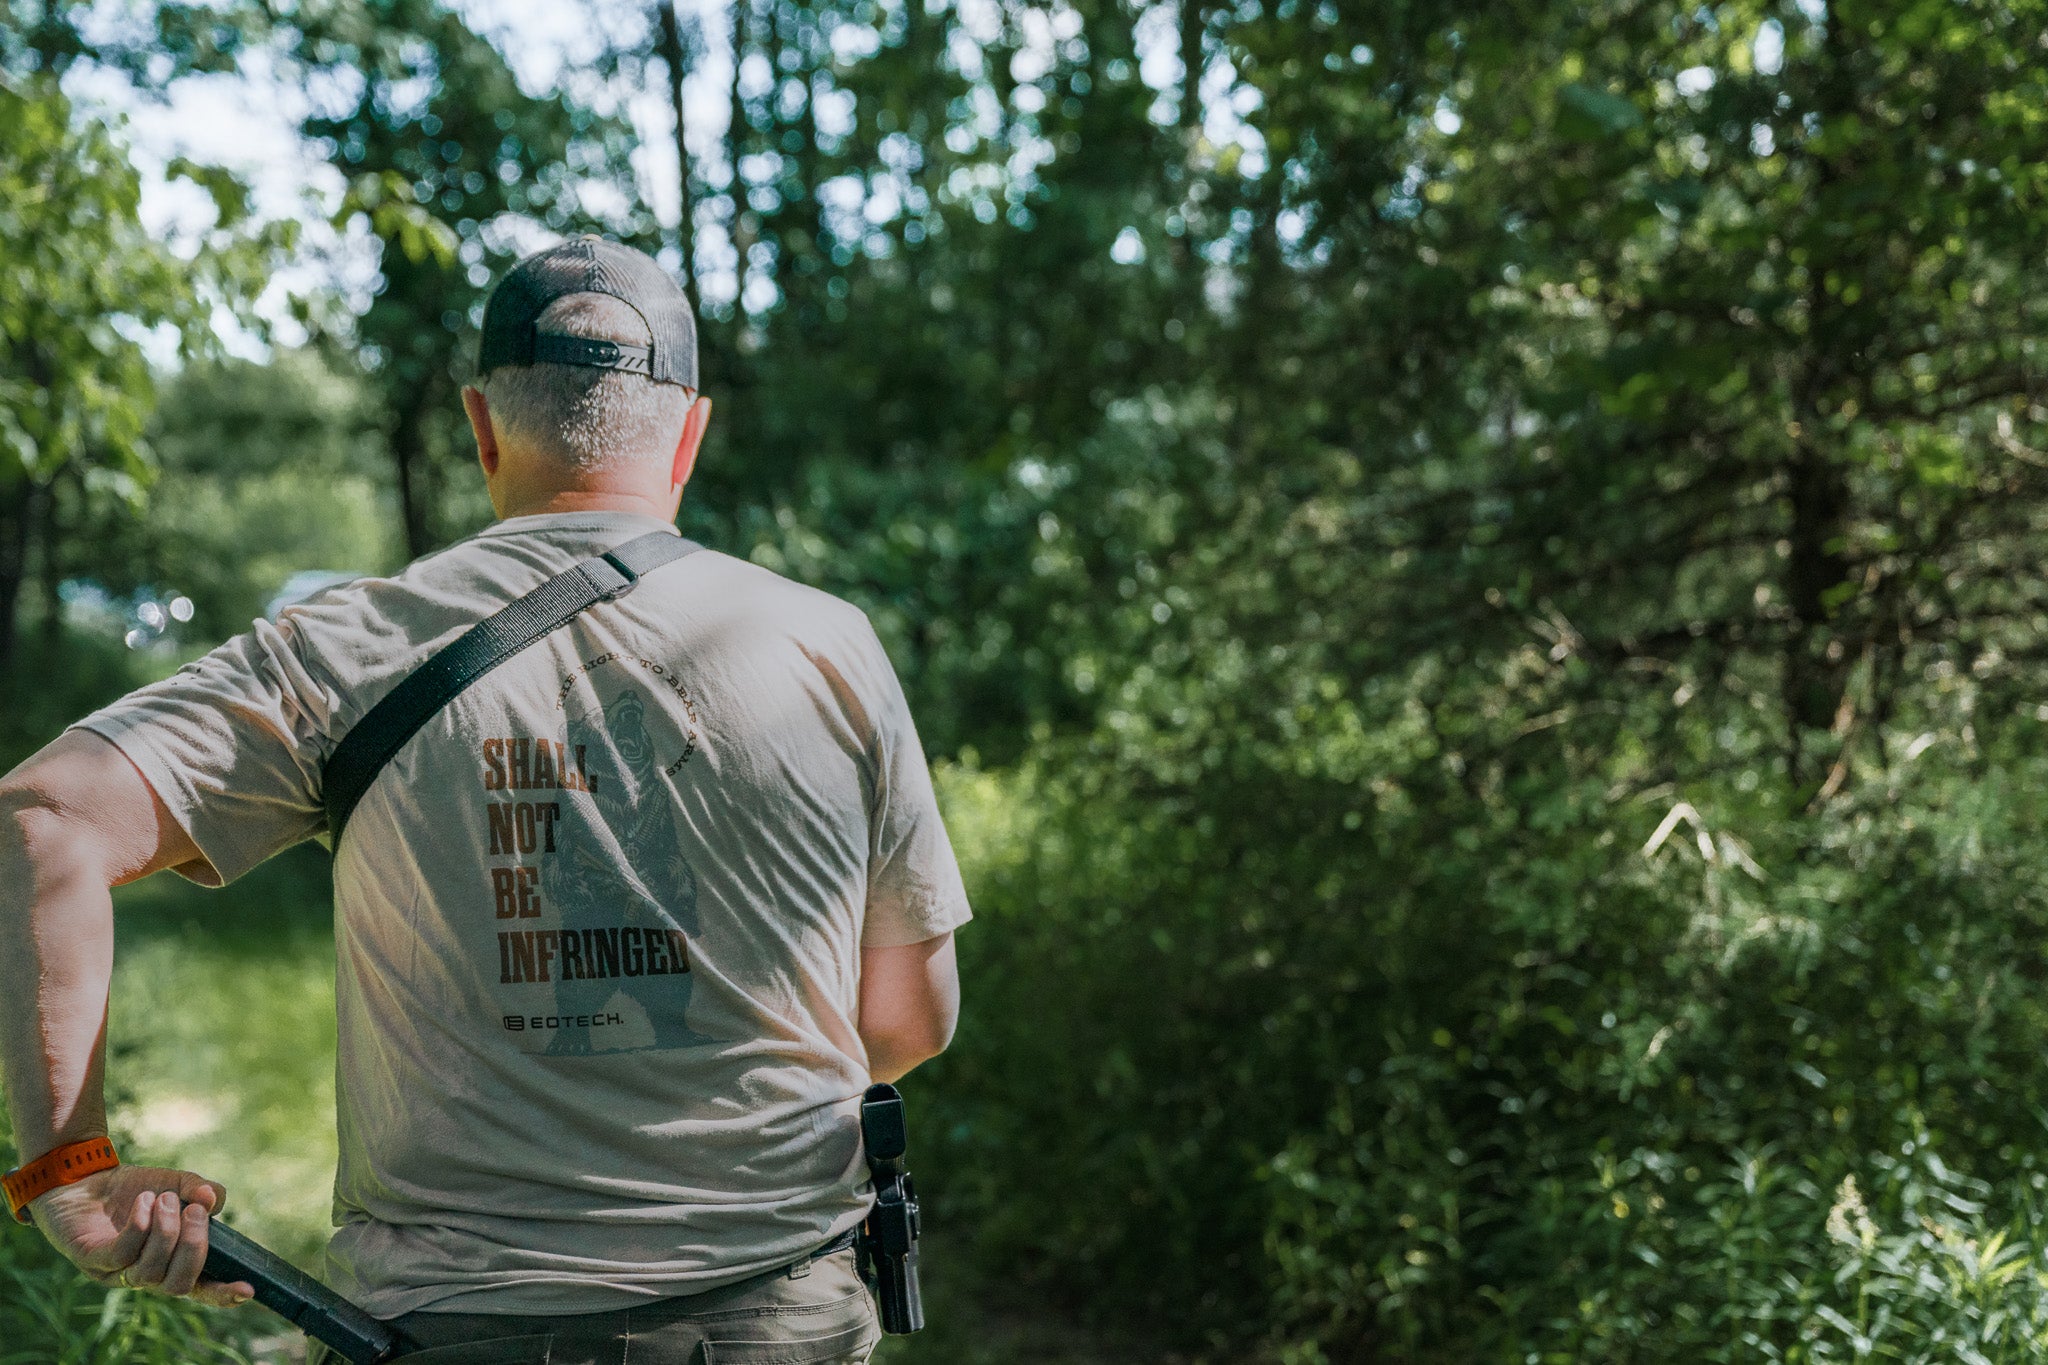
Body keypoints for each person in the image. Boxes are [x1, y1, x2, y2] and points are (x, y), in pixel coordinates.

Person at [0, 236, 969, 1365]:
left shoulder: (349, 645)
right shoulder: (821, 643)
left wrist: (68, 1174)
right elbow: (909, 1021)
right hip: (774, 1314)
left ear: (479, 426)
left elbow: (47, 817)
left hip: (451, 1326)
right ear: (690, 433)